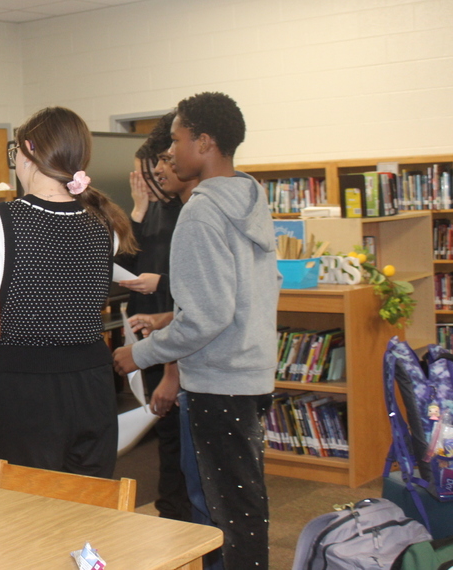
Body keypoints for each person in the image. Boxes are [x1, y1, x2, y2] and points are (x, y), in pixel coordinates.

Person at [113, 92, 279, 570]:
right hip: (250, 374)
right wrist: (172, 318)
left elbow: (207, 318)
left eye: (177, 138)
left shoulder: (202, 212)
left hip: (217, 382)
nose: (172, 148)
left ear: (204, 143)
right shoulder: (250, 197)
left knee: (221, 516)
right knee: (243, 507)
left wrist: (140, 356)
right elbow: (249, 294)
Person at [0, 106, 136, 476]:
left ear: (28, 151)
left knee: (25, 518)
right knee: (88, 509)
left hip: (23, 388)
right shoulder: (106, 223)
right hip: (92, 384)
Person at [116, 112, 197, 523]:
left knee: (181, 436)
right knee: (166, 430)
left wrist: (159, 282)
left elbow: (193, 286)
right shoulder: (154, 210)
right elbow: (125, 261)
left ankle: (180, 513)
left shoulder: (190, 209)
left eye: (148, 174)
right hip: (148, 330)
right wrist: (138, 211)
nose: (145, 180)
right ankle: (172, 511)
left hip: (176, 336)